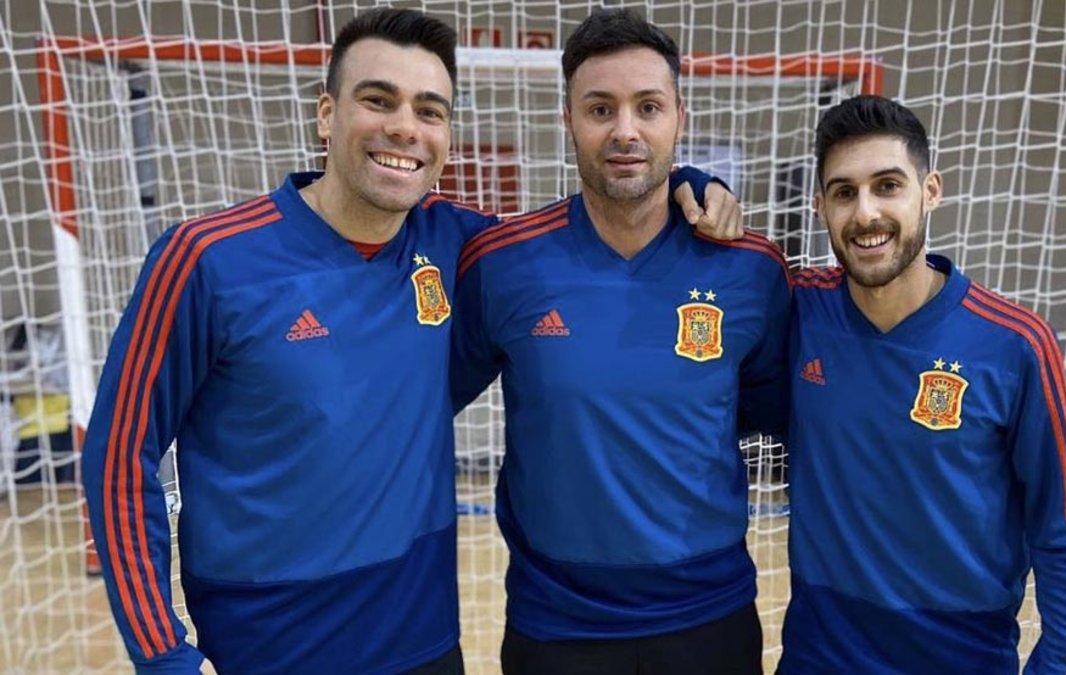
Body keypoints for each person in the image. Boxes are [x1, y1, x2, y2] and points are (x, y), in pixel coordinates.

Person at [81, 8, 737, 674]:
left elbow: (583, 239)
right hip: (261, 651)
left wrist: (686, 184)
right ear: (325, 113)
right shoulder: (206, 260)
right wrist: (164, 654)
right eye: (378, 100)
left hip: (425, 649)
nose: (404, 127)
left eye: (430, 110)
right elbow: (116, 460)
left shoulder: (465, 249)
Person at [451, 9, 790, 675]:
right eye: (600, 108)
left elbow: (777, 413)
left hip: (710, 621)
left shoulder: (751, 269)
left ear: (679, 118)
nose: (625, 130)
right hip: (556, 627)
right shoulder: (501, 263)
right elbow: (418, 400)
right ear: (568, 120)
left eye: (648, 107)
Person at [781, 95, 1066, 674]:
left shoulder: (1017, 345)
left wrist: (1055, 666)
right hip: (817, 658)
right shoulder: (798, 311)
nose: (866, 213)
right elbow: (717, 269)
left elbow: (1063, 528)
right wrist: (695, 185)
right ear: (821, 205)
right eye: (845, 192)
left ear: (930, 191)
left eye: (888, 185)